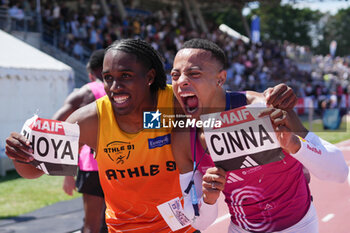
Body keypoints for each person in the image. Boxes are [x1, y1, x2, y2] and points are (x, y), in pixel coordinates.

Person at [5, 38, 297, 232]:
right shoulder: (93, 119)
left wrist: (268, 99)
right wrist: (21, 154)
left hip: (181, 227)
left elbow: (232, 100)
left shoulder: (177, 102)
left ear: (149, 77)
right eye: (108, 78)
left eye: (126, 77)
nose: (115, 86)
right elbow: (32, 170)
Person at [171, 39, 349, 232]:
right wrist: (209, 199)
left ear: (220, 79)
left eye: (194, 73)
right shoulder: (183, 137)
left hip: (299, 226)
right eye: (175, 75)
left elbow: (339, 172)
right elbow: (199, 222)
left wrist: (295, 145)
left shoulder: (265, 108)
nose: (181, 81)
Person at [52, 49, 107, 233]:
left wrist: (67, 172)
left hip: (91, 167)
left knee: (92, 225)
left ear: (91, 74)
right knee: (121, 222)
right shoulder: (125, 89)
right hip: (123, 165)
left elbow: (56, 126)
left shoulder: (84, 93)